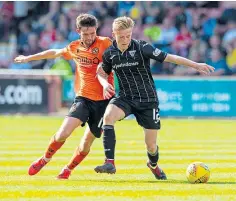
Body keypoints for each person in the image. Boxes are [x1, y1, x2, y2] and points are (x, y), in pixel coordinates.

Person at [94, 16, 214, 180]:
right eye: (121, 36)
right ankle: (110, 162)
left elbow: (170, 57)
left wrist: (196, 65)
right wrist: (104, 84)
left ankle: (153, 165)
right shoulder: (109, 54)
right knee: (108, 117)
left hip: (147, 100)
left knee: (151, 146)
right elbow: (101, 72)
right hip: (125, 98)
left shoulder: (142, 47)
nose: (125, 39)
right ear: (113, 34)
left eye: (128, 35)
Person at [14, 14, 115, 179]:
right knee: (63, 133)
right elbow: (55, 52)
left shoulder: (106, 43)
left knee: (85, 143)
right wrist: (28, 58)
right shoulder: (74, 47)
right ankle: (45, 159)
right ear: (78, 31)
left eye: (92, 33)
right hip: (83, 98)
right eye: (86, 34)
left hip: (104, 102)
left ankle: (68, 169)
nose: (90, 37)